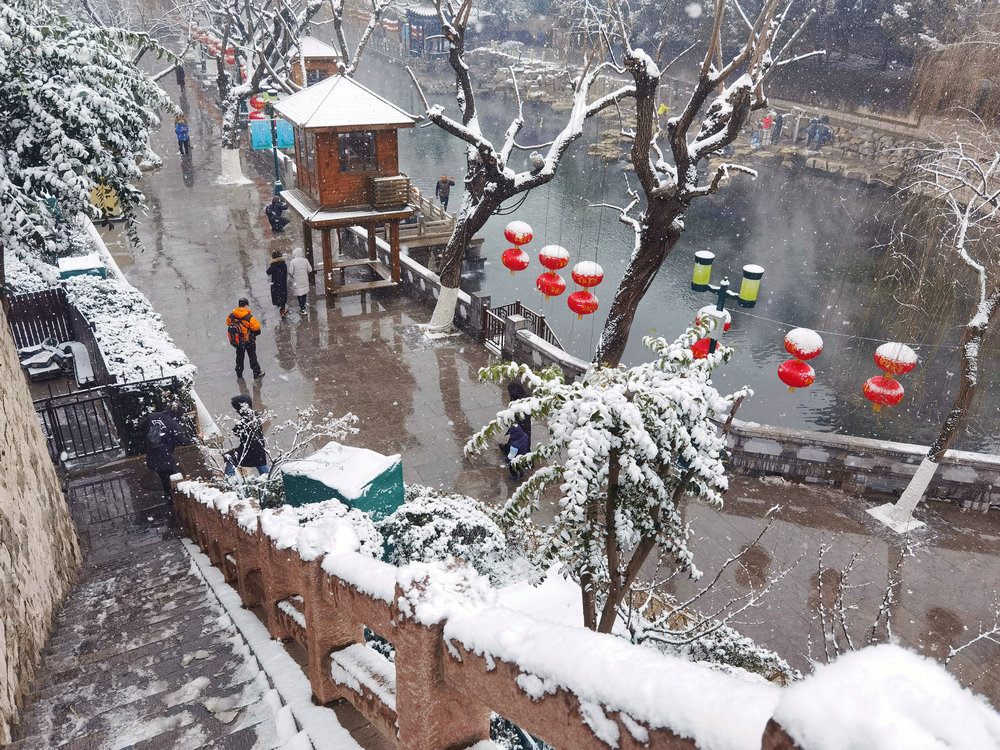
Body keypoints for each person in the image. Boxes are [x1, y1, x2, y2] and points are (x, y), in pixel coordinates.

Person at [143, 402, 193, 502]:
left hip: (152, 454)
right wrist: (197, 439)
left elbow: (141, 427)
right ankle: (173, 499)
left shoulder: (153, 416)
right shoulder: (172, 424)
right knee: (173, 477)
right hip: (165, 456)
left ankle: (169, 495)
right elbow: (184, 441)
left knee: (163, 476)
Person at [224, 395, 269, 476]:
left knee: (230, 457)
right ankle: (270, 480)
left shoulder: (245, 419)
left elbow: (238, 432)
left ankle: (230, 478)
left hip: (248, 449)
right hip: (259, 448)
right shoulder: (255, 414)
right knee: (261, 465)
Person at [499, 380, 531, 479]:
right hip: (523, 426)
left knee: (519, 438)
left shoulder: (519, 402)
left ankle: (518, 468)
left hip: (522, 425)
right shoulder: (526, 397)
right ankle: (513, 449)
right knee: (523, 438)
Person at [227, 298, 265, 379]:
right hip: (249, 341)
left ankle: (239, 372)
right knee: (252, 356)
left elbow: (228, 323)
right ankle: (257, 372)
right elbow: (256, 327)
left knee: (239, 356)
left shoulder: (231, 316)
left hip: (238, 341)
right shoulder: (249, 317)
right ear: (246, 306)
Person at [288, 246, 313, 314]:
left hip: (297, 280)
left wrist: (293, 276)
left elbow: (290, 272)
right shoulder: (305, 260)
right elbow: (310, 270)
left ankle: (302, 308)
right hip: (304, 279)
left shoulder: (293, 262)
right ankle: (303, 306)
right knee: (304, 293)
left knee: (299, 294)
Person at [266, 250, 289, 318]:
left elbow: (268, 272)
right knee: (282, 295)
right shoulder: (284, 264)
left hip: (276, 284)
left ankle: (282, 309)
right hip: (283, 283)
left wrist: (272, 264)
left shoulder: (274, 265)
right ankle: (282, 308)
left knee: (277, 296)